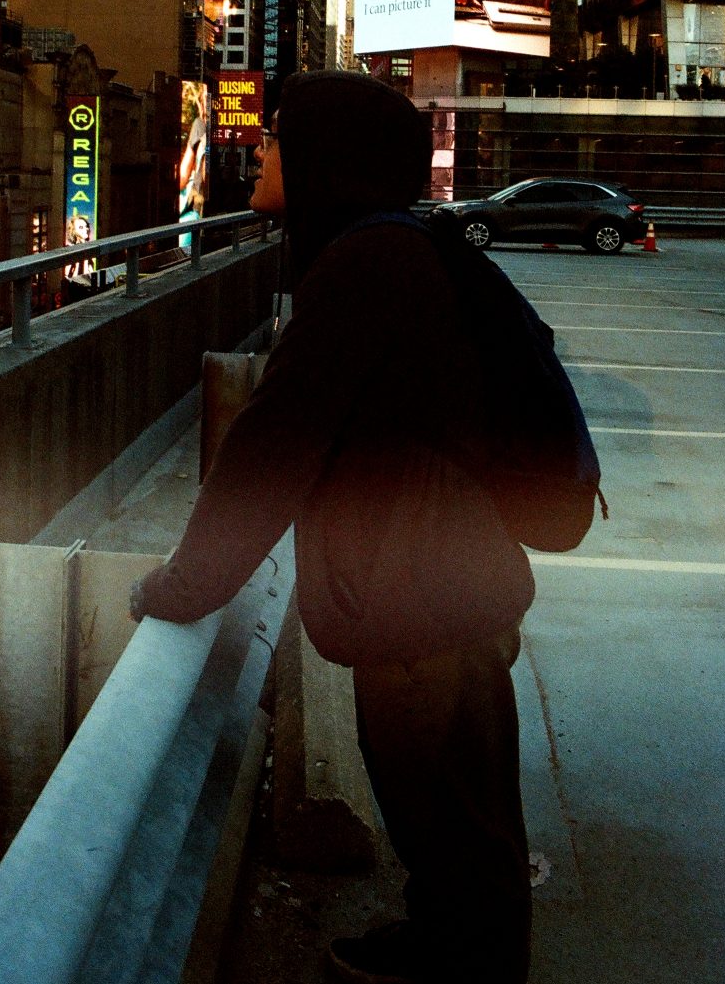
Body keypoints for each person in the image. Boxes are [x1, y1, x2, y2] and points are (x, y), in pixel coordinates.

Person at [129, 70, 535, 983]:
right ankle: (441, 941)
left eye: (279, 140)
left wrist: (181, 586)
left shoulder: (362, 267)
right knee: (457, 823)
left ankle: (462, 963)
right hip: (448, 585)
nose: (264, 152)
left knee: (452, 822)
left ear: (327, 158)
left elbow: (273, 447)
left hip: (424, 604)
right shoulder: (389, 251)